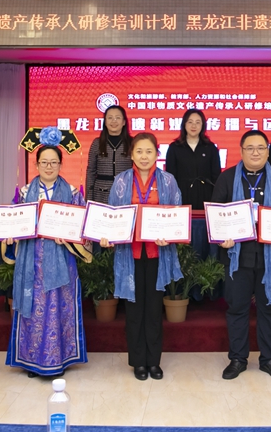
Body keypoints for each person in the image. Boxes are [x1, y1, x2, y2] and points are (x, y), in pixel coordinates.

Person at [211, 130, 271, 380]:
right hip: (237, 255)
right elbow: (216, 215)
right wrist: (222, 237)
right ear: (241, 151)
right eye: (250, 148)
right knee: (237, 308)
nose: (255, 152)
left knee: (269, 309)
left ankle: (269, 359)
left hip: (270, 256)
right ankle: (237, 359)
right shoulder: (227, 178)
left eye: (260, 147)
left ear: (268, 151)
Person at [6, 133, 91, 378]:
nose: (49, 166)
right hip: (31, 260)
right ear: (36, 164)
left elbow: (83, 226)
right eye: (44, 162)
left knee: (59, 309)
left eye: (54, 162)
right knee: (33, 309)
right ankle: (32, 361)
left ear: (61, 165)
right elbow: (13, 220)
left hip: (62, 259)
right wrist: (10, 235)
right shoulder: (24, 192)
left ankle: (59, 360)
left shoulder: (72, 193)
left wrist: (70, 236)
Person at [102, 132, 183, 381]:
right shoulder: (121, 181)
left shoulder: (168, 180)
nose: (144, 156)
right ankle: (138, 361)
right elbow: (112, 215)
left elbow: (177, 213)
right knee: (134, 309)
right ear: (131, 154)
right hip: (130, 254)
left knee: (154, 309)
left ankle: (154, 361)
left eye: (149, 151)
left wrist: (171, 235)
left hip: (158, 253)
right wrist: (107, 235)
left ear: (157, 154)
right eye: (139, 151)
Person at [164, 109, 222, 209]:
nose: (193, 126)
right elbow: (170, 177)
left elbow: (216, 176)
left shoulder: (210, 148)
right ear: (184, 124)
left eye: (198, 122)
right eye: (190, 122)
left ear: (203, 125)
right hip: (181, 195)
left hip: (206, 195)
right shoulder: (174, 148)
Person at [86, 105, 133, 203]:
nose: (114, 121)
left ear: (124, 122)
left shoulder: (132, 143)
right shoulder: (97, 143)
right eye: (110, 118)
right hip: (101, 194)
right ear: (105, 122)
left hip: (126, 192)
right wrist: (89, 198)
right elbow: (91, 171)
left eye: (117, 118)